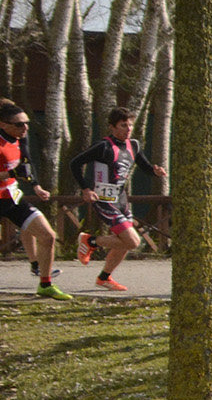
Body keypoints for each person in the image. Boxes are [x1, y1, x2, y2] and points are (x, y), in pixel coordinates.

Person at [70, 107, 165, 291]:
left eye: (130, 125)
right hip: (104, 199)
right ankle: (90, 241)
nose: (128, 129)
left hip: (121, 199)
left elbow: (144, 166)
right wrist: (86, 189)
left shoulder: (134, 145)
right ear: (112, 127)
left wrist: (155, 171)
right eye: (123, 125)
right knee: (133, 241)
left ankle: (104, 277)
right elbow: (75, 163)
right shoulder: (103, 146)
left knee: (124, 242)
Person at [0, 100, 67, 299]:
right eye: (19, 124)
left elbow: (26, 165)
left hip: (12, 199)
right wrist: (9, 173)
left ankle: (45, 284)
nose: (25, 128)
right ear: (3, 124)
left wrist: (35, 185)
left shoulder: (18, 140)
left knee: (48, 236)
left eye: (26, 123)